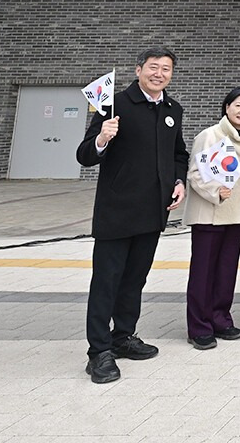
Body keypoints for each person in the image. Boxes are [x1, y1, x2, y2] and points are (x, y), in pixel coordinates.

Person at [76, 47, 188, 384]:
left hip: (153, 212)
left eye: (166, 69)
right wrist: (101, 138)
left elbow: (178, 153)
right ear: (138, 70)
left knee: (135, 279)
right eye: (153, 67)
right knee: (106, 282)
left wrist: (179, 181)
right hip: (117, 212)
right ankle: (99, 352)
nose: (159, 74)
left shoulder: (173, 109)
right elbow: (85, 155)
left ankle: (123, 336)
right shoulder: (114, 105)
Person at [184, 87, 240, 350]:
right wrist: (216, 191)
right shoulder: (210, 135)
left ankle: (220, 319)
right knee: (203, 272)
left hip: (238, 215)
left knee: (226, 270)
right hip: (210, 214)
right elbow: (195, 173)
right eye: (237, 105)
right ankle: (199, 327)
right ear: (226, 107)